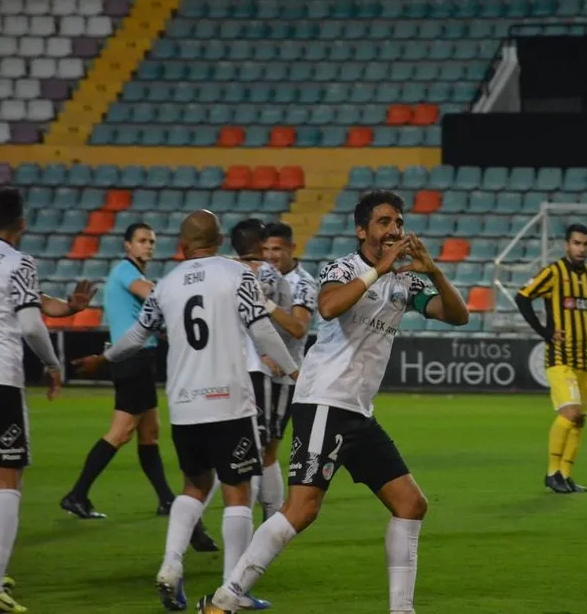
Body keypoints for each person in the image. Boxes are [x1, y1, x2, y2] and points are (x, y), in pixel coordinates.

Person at [197, 190, 469, 614]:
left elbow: (457, 314)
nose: (394, 229)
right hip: (324, 401)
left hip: (358, 410)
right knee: (302, 509)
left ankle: (402, 610)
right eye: (383, 222)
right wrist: (378, 270)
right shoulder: (344, 267)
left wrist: (433, 272)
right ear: (362, 231)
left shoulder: (406, 280)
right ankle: (225, 600)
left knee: (411, 503)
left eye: (398, 221)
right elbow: (327, 307)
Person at [72, 209, 300, 612]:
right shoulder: (237, 275)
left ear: (182, 245)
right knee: (237, 494)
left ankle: (170, 564)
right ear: (218, 240)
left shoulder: (165, 285)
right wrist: (295, 370)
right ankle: (234, 588)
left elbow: (138, 334)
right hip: (229, 401)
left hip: (185, 406)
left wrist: (104, 358)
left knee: (194, 487)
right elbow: (262, 328)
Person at [0, 164, 94, 597]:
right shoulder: (19, 262)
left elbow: (32, 303)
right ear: (22, 223)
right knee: (6, 480)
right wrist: (53, 364)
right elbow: (32, 324)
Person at [59, 222, 215, 552]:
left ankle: (164, 500)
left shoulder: (129, 273)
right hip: (131, 361)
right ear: (127, 245)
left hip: (140, 361)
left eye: (152, 241)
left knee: (150, 433)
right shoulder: (125, 272)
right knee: (121, 432)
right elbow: (154, 296)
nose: (148, 246)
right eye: (142, 241)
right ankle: (76, 494)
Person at [515, 224, 587, 494]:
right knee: (570, 412)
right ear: (567, 245)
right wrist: (545, 333)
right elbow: (523, 298)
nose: (582, 248)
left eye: (586, 244)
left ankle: (566, 475)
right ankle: (552, 472)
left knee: (580, 420)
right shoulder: (554, 273)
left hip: (585, 360)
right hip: (561, 357)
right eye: (577, 243)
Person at [230, 219, 306, 522]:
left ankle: (264, 517)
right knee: (256, 451)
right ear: (261, 245)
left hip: (225, 371)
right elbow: (263, 325)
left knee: (243, 449)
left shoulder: (222, 272)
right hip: (258, 371)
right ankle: (256, 519)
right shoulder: (272, 277)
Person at [260, 221, 315, 519]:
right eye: (265, 249)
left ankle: (272, 518)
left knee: (268, 450)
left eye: (276, 249)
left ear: (292, 248)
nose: (270, 255)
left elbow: (298, 328)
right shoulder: (259, 276)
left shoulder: (303, 283)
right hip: (253, 375)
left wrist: (265, 303)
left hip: (283, 379)